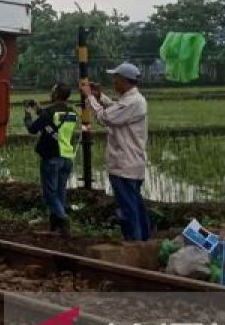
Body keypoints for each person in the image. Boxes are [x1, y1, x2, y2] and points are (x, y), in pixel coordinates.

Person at [82, 62, 150, 241]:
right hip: (131, 164)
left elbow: (105, 117)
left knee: (128, 208)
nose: (113, 82)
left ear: (124, 80)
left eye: (116, 78)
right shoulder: (132, 100)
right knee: (135, 204)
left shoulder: (132, 102)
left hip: (124, 165)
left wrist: (90, 98)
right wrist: (100, 97)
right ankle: (143, 240)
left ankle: (134, 242)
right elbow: (116, 109)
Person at [24, 83, 79, 236]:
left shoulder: (49, 113)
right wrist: (38, 109)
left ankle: (63, 219)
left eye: (52, 90)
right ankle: (56, 228)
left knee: (50, 194)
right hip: (67, 157)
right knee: (60, 193)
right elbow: (51, 121)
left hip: (51, 157)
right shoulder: (71, 112)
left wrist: (28, 114)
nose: (50, 92)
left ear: (56, 94)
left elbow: (33, 128)